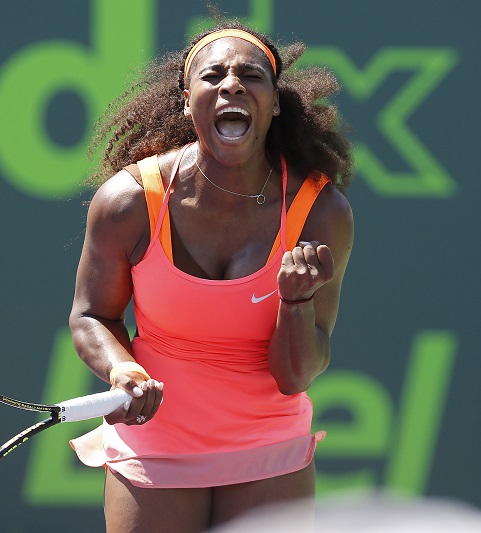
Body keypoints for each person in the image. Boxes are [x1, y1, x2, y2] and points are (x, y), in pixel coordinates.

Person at [68, 19, 354, 533]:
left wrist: (296, 303)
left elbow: (296, 375)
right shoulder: (129, 202)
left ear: (275, 103)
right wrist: (122, 370)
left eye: (251, 75)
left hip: (270, 446)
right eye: (213, 75)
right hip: (156, 438)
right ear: (186, 99)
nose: (231, 85)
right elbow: (93, 315)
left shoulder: (320, 210)